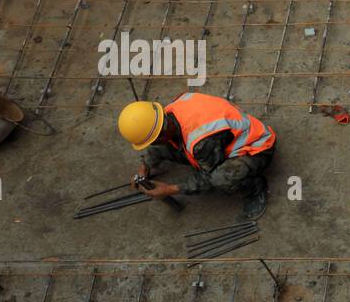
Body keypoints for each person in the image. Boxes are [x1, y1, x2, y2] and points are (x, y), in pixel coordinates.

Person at [117, 92, 276, 219]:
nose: (153, 145)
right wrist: (143, 168)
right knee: (170, 147)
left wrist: (170, 189)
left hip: (257, 148)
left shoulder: (201, 141)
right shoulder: (169, 112)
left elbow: (206, 178)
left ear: (160, 134)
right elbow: (159, 144)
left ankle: (255, 188)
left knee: (220, 178)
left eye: (153, 141)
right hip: (221, 139)